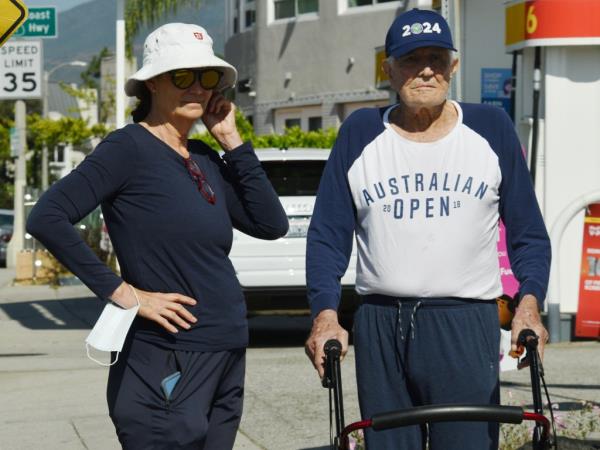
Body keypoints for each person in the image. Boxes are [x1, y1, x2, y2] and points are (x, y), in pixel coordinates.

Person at [27, 23, 288, 450]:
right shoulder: (127, 148)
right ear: (151, 83)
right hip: (166, 357)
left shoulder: (202, 155)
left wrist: (233, 143)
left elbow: (270, 224)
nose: (198, 88)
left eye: (207, 77)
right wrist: (124, 294)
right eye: (183, 75)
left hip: (225, 351)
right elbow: (47, 216)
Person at [304, 8, 550, 450]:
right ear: (389, 68)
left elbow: (529, 234)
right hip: (379, 322)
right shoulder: (360, 132)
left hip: (464, 322)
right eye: (411, 59)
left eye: (437, 58)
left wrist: (528, 304)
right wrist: (325, 317)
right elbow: (327, 235)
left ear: (453, 66)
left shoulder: (490, 128)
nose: (426, 71)